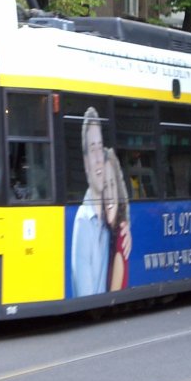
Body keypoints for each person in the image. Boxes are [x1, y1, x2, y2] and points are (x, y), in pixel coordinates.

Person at [70, 107, 110, 296]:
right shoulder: (84, 221)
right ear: (85, 162)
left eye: (100, 148)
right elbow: (85, 295)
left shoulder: (108, 220)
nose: (98, 158)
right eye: (92, 149)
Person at [104, 148, 132, 291]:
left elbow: (114, 294)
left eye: (112, 185)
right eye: (104, 187)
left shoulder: (121, 239)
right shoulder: (111, 234)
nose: (108, 195)